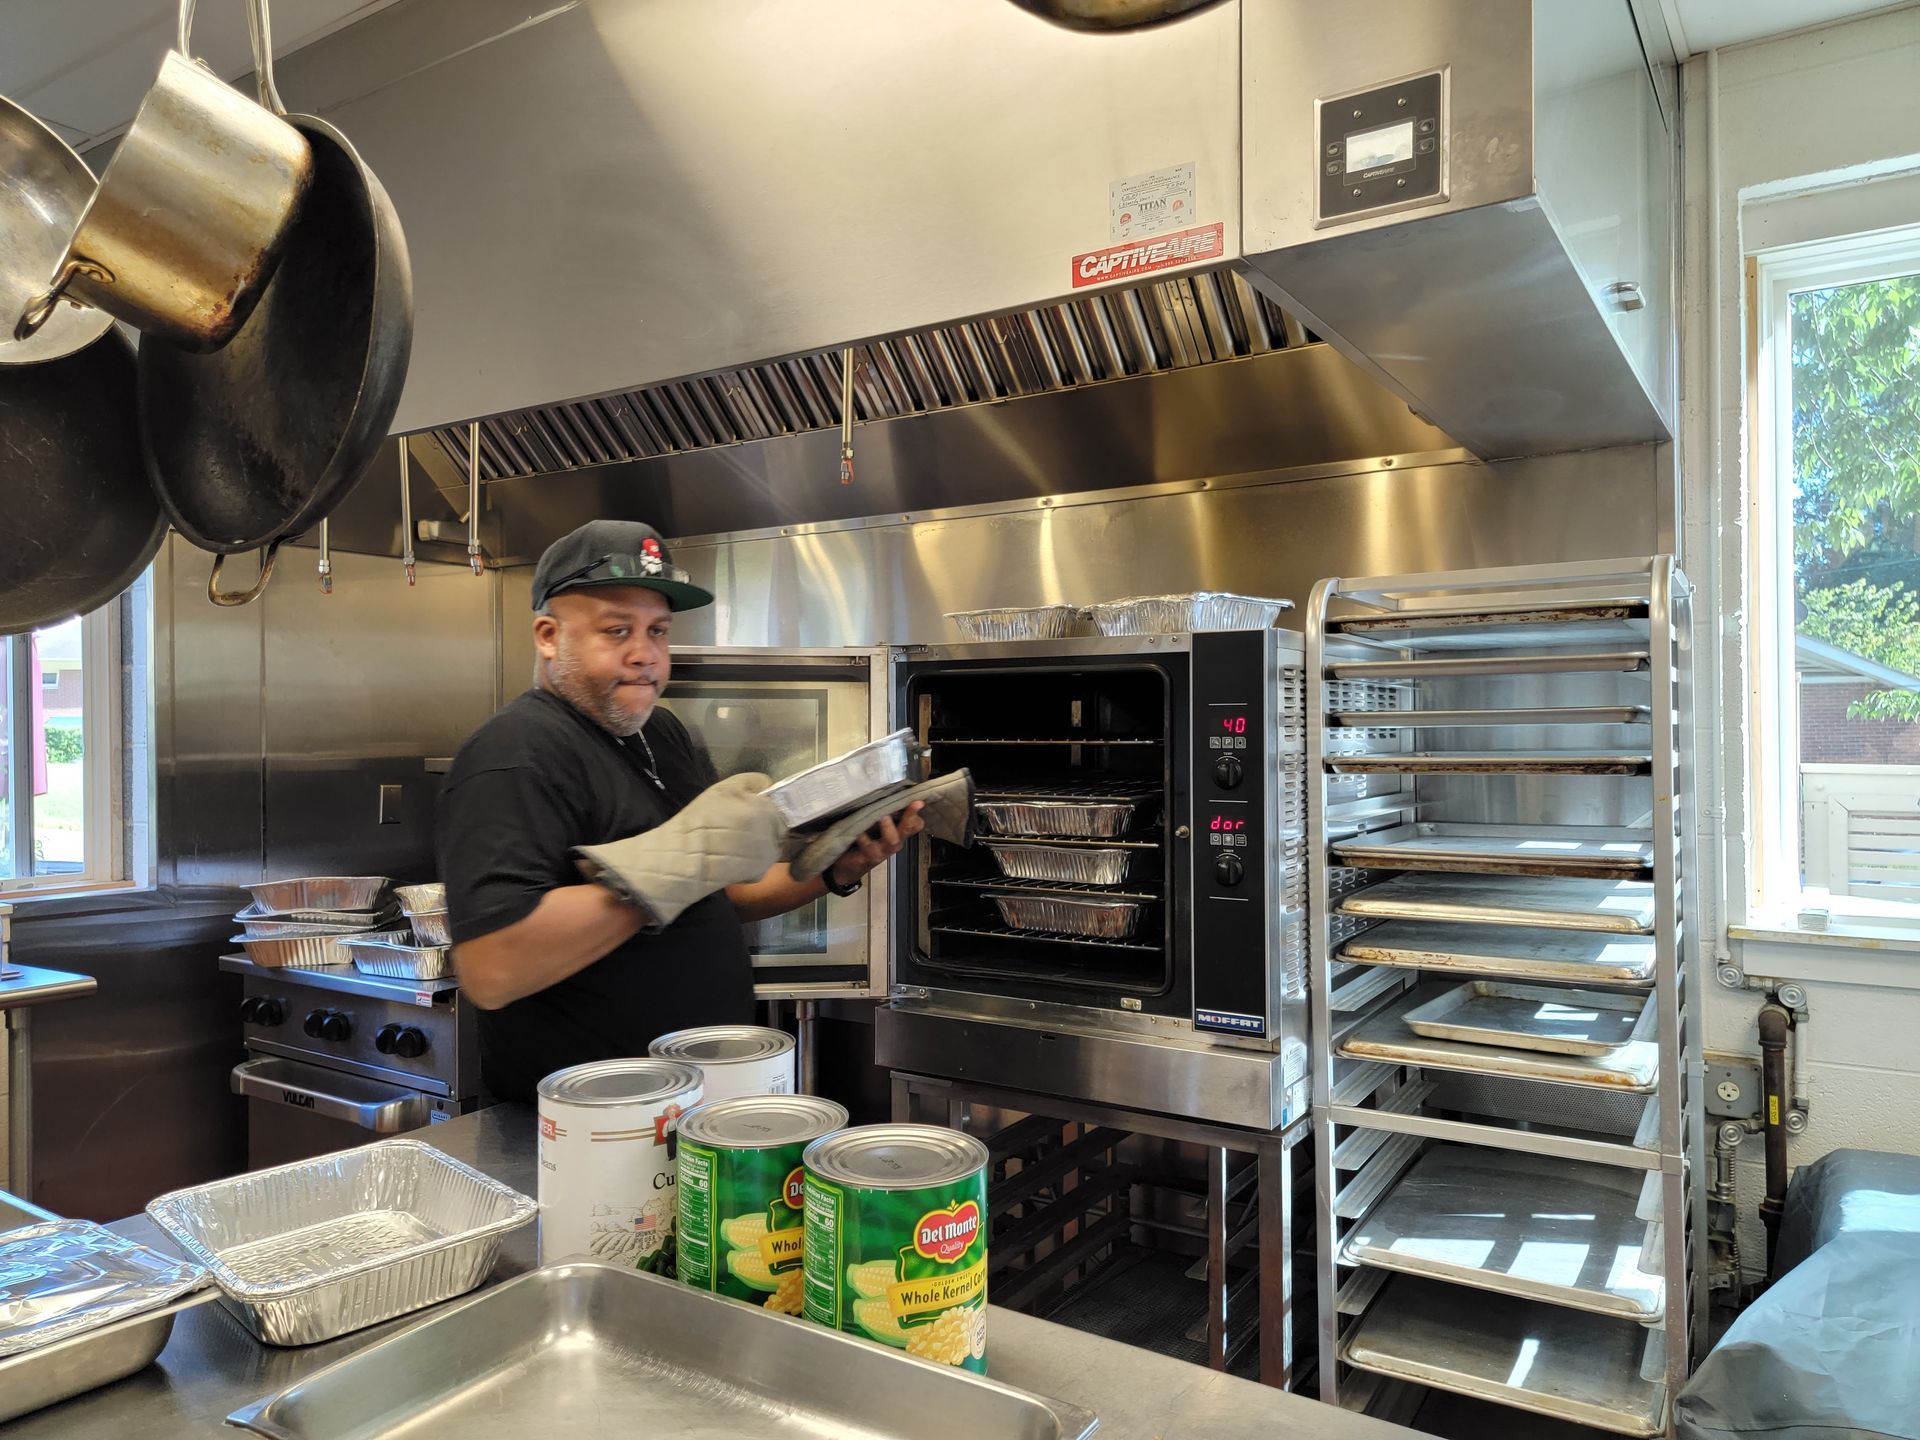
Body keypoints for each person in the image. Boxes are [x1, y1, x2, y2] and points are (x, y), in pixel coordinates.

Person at [436, 519, 924, 1102]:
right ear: (548, 636)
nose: (645, 655)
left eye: (659, 631)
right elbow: (493, 968)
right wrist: (685, 857)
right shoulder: (515, 755)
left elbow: (716, 892)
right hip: (594, 1122)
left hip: (699, 1098)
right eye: (617, 631)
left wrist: (833, 868)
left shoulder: (659, 733)